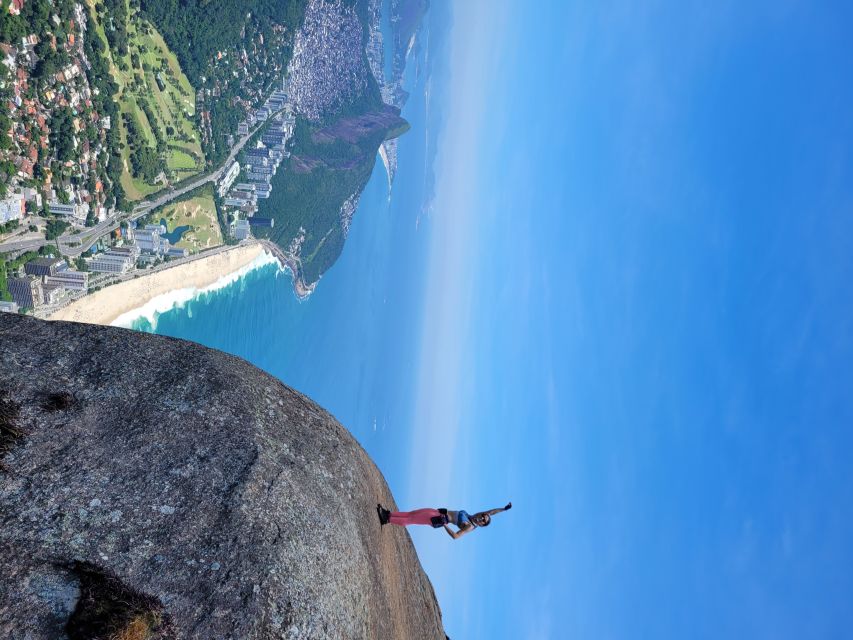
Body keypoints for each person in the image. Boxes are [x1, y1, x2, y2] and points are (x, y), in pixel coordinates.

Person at [376, 502, 512, 539]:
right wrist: (503, 509)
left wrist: (445, 524)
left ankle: (387, 519)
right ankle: (389, 514)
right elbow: (491, 512)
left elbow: (456, 536)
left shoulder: (470, 526)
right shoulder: (473, 515)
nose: (483, 517)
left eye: (483, 520)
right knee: (412, 513)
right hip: (438, 512)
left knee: (412, 519)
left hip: (439, 519)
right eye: (484, 516)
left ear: (481, 525)